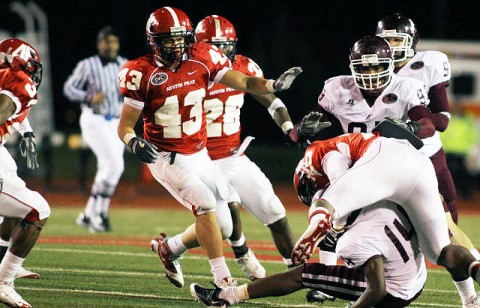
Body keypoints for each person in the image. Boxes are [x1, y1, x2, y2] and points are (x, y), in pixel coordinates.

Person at [116, 7, 301, 289]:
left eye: (181, 39)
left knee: (225, 226)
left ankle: (169, 248)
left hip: (199, 152)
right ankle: (223, 280)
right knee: (204, 203)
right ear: (154, 40)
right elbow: (125, 126)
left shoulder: (202, 58)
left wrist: (273, 84)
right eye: (169, 39)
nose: (177, 46)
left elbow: (246, 82)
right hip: (167, 155)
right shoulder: (139, 72)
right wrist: (133, 141)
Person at [287, 34, 480, 304]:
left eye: (377, 67)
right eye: (364, 68)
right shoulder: (337, 88)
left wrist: (411, 127)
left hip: (389, 172)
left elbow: (428, 125)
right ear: (353, 67)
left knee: (336, 213)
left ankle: (468, 297)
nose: (371, 74)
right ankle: (344, 284)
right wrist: (301, 131)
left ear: (390, 64)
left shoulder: (406, 87)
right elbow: (301, 132)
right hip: (370, 172)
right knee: (434, 246)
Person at [375, 13, 480, 306]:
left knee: (447, 232)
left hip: (427, 156)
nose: (392, 46)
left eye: (397, 39)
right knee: (436, 234)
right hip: (391, 159)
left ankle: (471, 294)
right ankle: (471, 298)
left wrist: (414, 126)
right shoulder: (372, 66)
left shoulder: (428, 63)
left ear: (412, 42)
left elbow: (443, 118)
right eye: (387, 40)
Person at [194, 14, 297, 279]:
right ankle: (242, 253)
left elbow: (271, 101)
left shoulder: (244, 67)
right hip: (201, 159)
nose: (223, 52)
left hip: (234, 155)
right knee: (230, 206)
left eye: (227, 45)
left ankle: (299, 271)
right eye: (216, 46)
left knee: (274, 209)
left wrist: (289, 129)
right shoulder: (191, 72)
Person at [191, 201, 428, 308]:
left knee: (306, 273)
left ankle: (227, 296)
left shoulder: (353, 240)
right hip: (416, 277)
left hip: (396, 290)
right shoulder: (382, 203)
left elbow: (378, 289)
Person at [0, 38, 51, 308]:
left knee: (13, 183)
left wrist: (26, 132)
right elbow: (6, 104)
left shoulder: (7, 77)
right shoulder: (19, 80)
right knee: (37, 209)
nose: (33, 72)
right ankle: (3, 281)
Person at [63, 26, 127, 233]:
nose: (110, 46)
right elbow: (69, 88)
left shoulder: (124, 64)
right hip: (95, 120)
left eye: (114, 42)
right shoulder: (88, 65)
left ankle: (88, 215)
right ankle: (101, 214)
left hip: (116, 121)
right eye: (106, 42)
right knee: (115, 166)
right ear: (100, 43)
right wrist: (88, 97)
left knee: (107, 169)